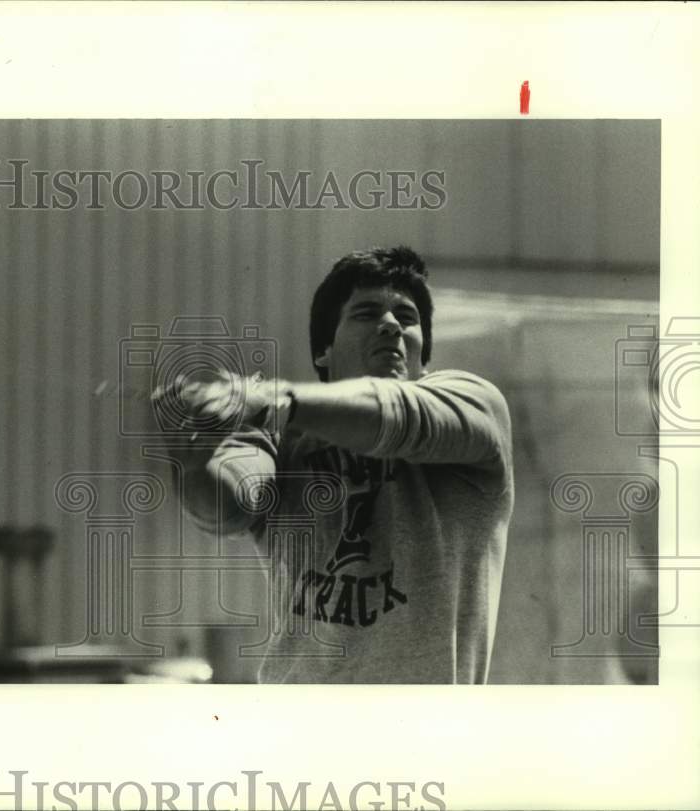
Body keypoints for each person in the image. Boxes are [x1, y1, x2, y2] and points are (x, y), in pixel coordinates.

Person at [154, 246, 514, 683]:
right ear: (323, 351)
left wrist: (272, 400)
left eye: (407, 316)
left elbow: (396, 415)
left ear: (426, 355)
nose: (390, 325)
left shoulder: (472, 405)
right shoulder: (276, 431)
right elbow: (229, 507)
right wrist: (195, 467)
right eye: (366, 313)